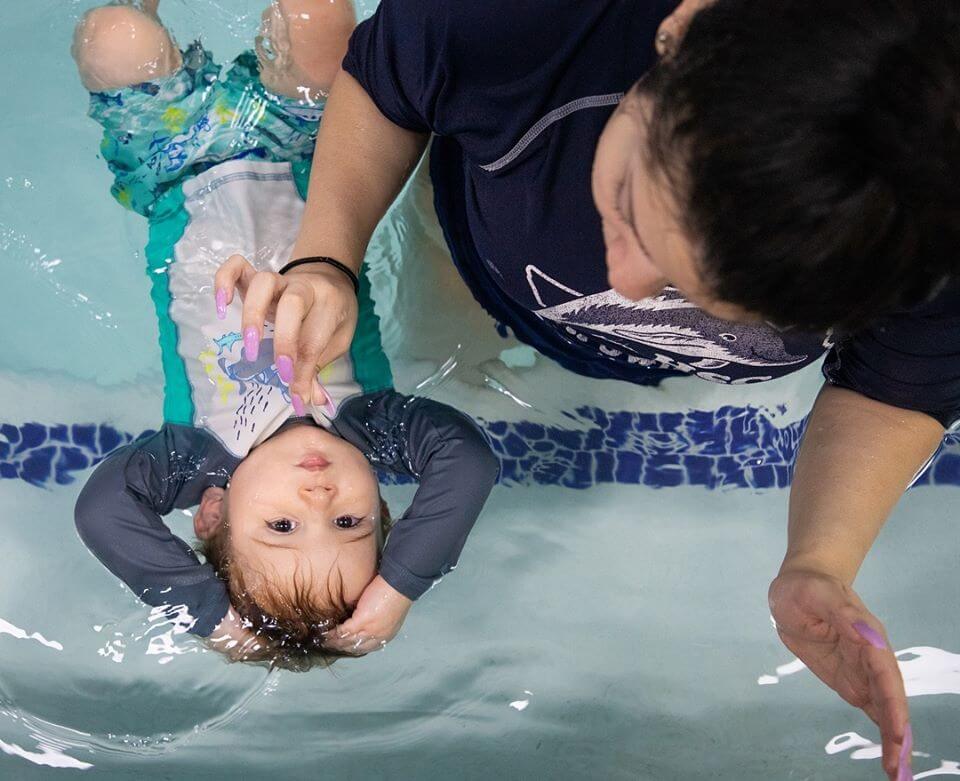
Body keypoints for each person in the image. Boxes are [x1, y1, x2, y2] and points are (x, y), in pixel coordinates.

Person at [221, 0, 958, 774]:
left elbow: (892, 386)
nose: (628, 286)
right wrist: (329, 256)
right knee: (448, 289)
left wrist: (819, 557)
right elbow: (387, 85)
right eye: (631, 205)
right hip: (472, 238)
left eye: (703, 294)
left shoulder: (936, 218)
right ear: (678, 29)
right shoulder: (513, 17)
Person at [70, 0, 499, 670]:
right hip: (311, 146)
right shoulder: (373, 427)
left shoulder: (194, 460)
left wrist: (211, 619)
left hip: (171, 165)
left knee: (116, 38)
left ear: (213, 514)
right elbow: (470, 459)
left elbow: (101, 512)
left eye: (281, 527)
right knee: (320, 16)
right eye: (351, 523)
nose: (320, 499)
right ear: (383, 502)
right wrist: (399, 588)